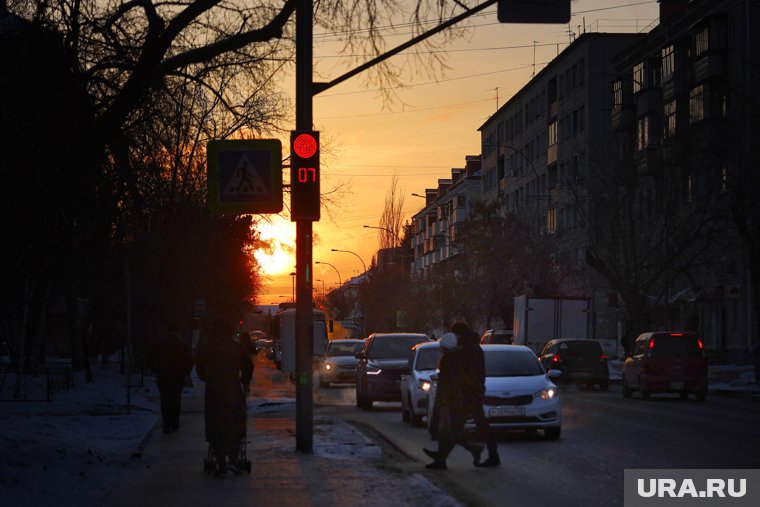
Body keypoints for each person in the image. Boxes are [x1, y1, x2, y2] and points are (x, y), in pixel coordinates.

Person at [195, 318, 253, 475]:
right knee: (234, 424)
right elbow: (248, 364)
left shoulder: (208, 348)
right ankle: (233, 459)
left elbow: (199, 367)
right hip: (232, 390)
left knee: (216, 425)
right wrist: (245, 381)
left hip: (213, 392)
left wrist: (208, 378)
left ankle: (220, 460)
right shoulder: (237, 347)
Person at [423, 332, 483, 470]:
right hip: (455, 400)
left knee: (448, 431)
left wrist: (444, 401)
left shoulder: (450, 360)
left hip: (451, 401)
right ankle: (443, 457)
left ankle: (442, 458)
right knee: (451, 431)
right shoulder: (457, 358)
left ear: (445, 348)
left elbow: (448, 383)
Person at [451, 321, 501, 468]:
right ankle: (489, 453)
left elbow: (469, 373)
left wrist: (463, 388)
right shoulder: (472, 347)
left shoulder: (468, 349)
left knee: (457, 427)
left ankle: (482, 452)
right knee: (479, 425)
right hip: (472, 392)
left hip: (469, 393)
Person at [147, 332, 194, 433]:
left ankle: (166, 424)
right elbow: (189, 361)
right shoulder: (181, 347)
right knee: (176, 400)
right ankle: (175, 422)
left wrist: (156, 370)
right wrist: (183, 372)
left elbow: (149, 359)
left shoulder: (160, 347)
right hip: (177, 377)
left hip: (163, 377)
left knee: (165, 400)